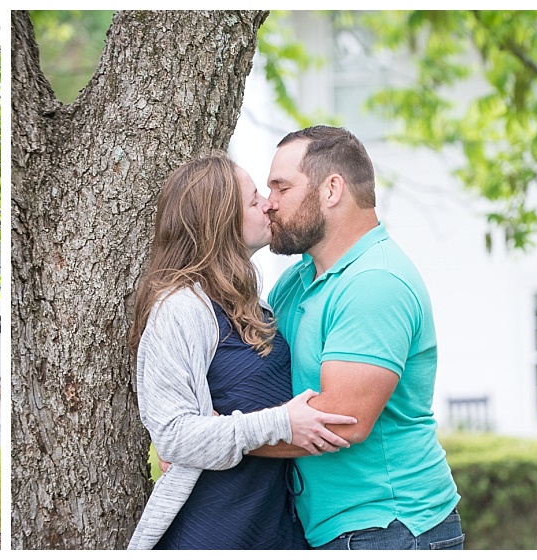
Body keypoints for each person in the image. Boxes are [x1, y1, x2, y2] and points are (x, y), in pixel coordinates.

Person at [127, 154, 358, 550]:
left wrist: (226, 427)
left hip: (274, 531)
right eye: (254, 200)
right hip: (211, 534)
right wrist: (278, 423)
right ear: (220, 222)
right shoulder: (181, 308)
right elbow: (174, 436)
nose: (268, 203)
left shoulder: (256, 305)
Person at [263, 125, 464, 550]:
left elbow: (340, 422)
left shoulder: (375, 282)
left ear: (332, 189)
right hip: (325, 528)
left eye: (281, 187)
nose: (269, 204)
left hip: (390, 529)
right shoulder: (294, 282)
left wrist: (209, 443)